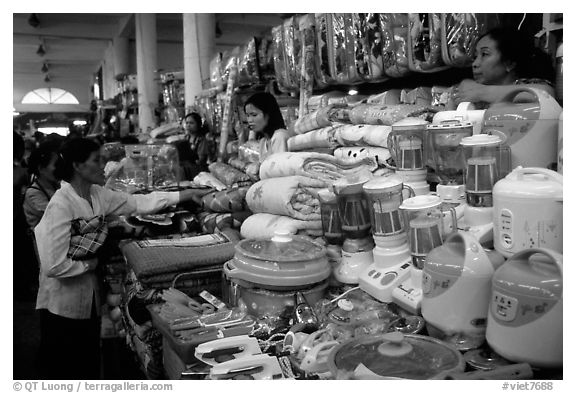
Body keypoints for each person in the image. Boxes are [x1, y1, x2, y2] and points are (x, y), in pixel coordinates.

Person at [34, 138, 208, 379]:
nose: (102, 165)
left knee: (87, 362)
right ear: (77, 165)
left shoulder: (97, 195)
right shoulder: (61, 204)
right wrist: (91, 264)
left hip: (89, 297)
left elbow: (138, 202)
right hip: (62, 303)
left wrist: (187, 193)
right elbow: (53, 265)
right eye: (96, 160)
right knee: (65, 365)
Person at [451, 27, 556, 108]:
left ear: (509, 63)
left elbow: (546, 94)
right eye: (475, 56)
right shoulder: (473, 91)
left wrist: (481, 92)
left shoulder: (528, 86)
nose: (475, 63)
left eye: (484, 54)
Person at [23, 139, 62, 229]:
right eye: (56, 165)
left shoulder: (56, 185)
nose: (59, 168)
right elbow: (58, 216)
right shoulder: (33, 193)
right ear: (41, 169)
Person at [244, 92, 289, 161]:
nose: (249, 120)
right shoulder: (263, 141)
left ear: (268, 114)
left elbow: (279, 168)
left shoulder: (280, 136)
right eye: (247, 115)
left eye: (254, 115)